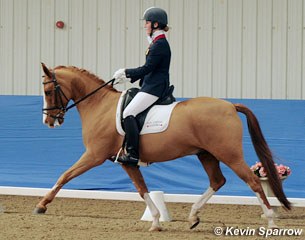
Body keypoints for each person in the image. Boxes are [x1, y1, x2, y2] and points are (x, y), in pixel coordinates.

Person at [112, 7, 172, 166]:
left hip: (155, 87)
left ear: (155, 24)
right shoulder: (156, 43)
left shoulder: (159, 45)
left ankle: (132, 153)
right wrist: (128, 76)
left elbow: (147, 68)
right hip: (150, 84)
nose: (145, 26)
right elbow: (148, 69)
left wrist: (126, 72)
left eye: (147, 23)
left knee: (129, 112)